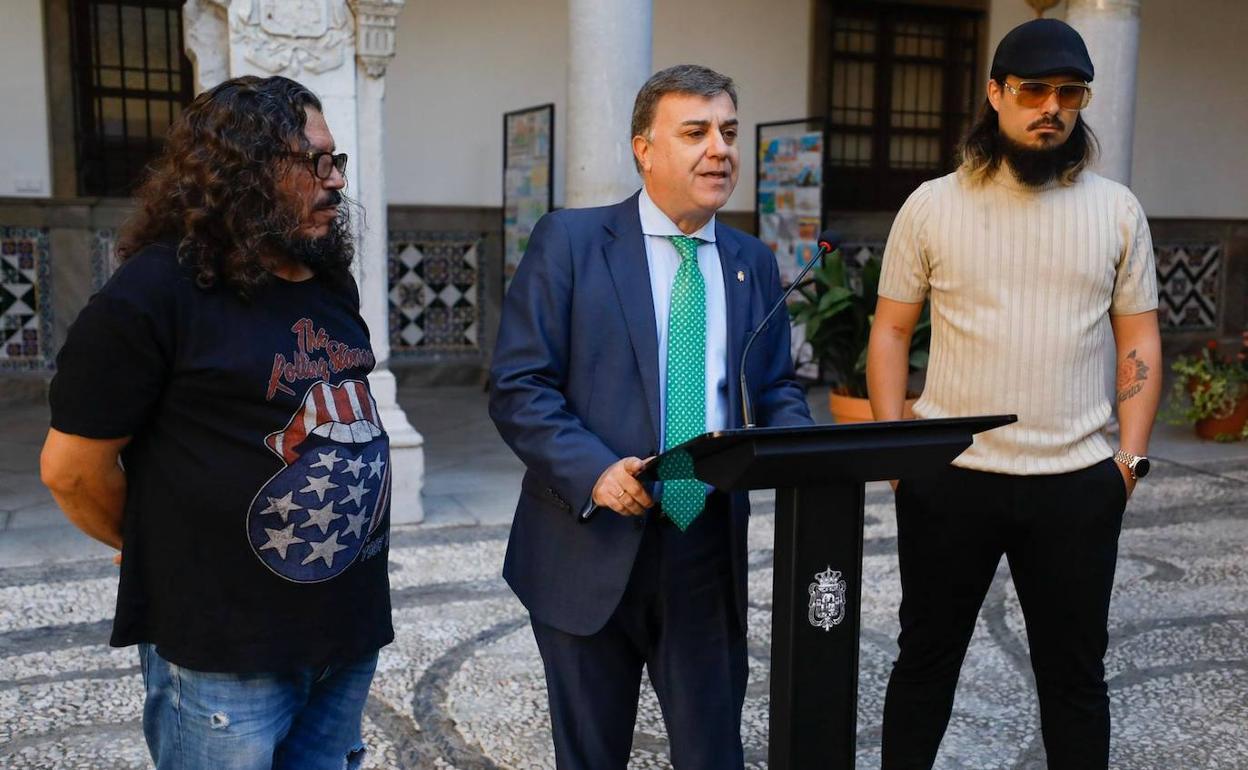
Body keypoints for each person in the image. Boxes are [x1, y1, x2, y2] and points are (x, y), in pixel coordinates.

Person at [39, 75, 392, 770]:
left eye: (337, 160)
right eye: (314, 162)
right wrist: (151, 543)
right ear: (243, 170)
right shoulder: (153, 294)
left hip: (347, 628)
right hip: (227, 649)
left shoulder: (328, 281)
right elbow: (72, 472)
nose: (335, 181)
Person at [489, 64, 812, 769]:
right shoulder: (571, 242)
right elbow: (519, 385)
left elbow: (775, 387)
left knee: (712, 754)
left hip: (705, 546)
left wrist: (808, 455)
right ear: (645, 149)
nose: (720, 149)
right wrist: (595, 471)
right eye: (695, 132)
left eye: (728, 132)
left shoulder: (751, 261)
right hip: (588, 542)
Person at [866, 19, 1162, 769]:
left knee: (1076, 679)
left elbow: (1138, 339)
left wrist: (1128, 461)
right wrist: (899, 454)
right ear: (995, 93)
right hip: (951, 477)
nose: (1051, 107)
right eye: (1033, 90)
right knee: (925, 664)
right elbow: (891, 331)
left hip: (1076, 483)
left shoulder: (1117, 210)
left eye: (1070, 92)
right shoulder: (931, 205)